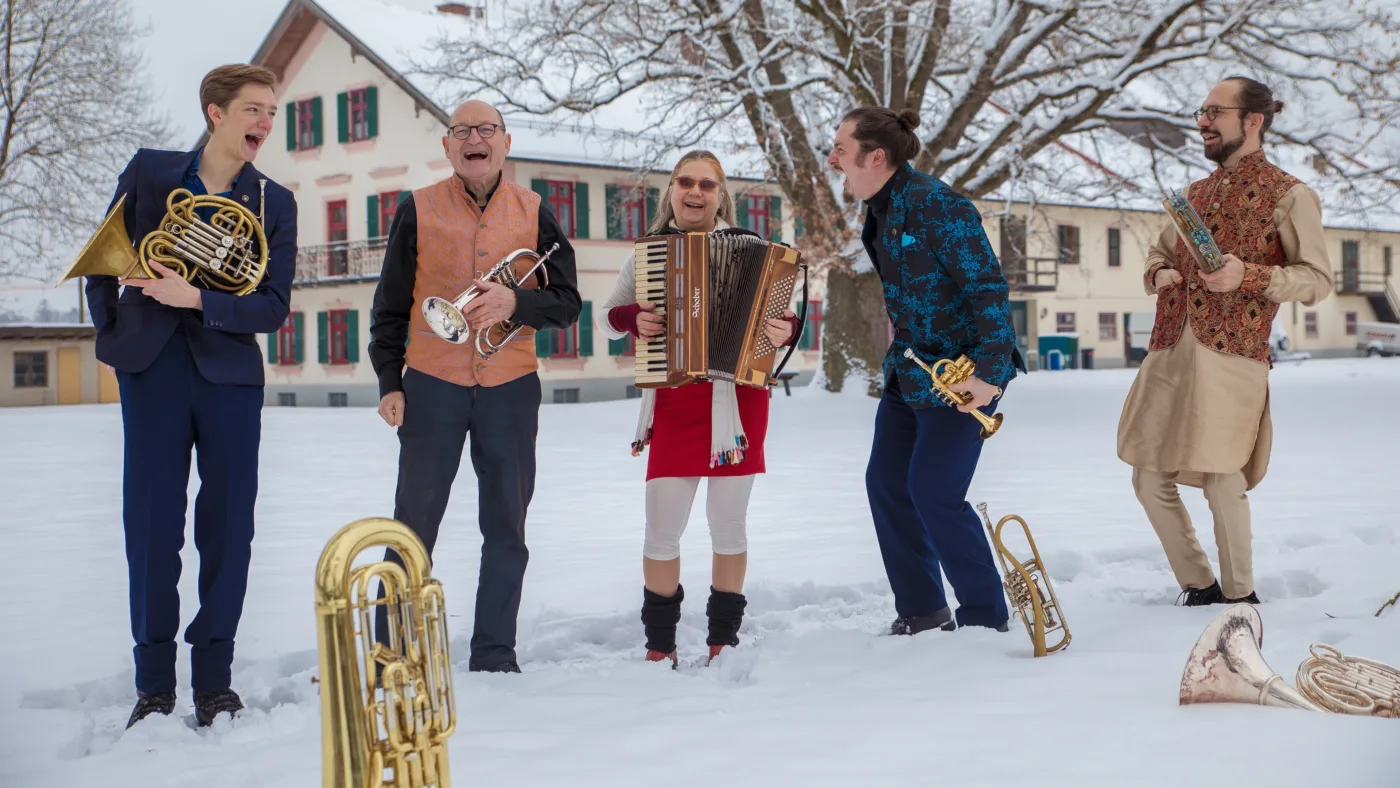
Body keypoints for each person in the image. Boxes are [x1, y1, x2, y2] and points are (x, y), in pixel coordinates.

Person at [81, 64, 297, 728]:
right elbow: (102, 259)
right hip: (152, 369)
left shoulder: (274, 203)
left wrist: (197, 295)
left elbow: (272, 306)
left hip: (230, 375)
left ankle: (213, 681)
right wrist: (116, 325)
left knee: (229, 528)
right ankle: (153, 683)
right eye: (254, 109)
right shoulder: (150, 172)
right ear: (216, 113)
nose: (265, 122)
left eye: (272, 111)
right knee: (150, 527)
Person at [367, 100, 581, 674]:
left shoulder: (535, 210)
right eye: (462, 131)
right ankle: (392, 652)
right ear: (447, 146)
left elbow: (567, 305)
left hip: (510, 386)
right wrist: (390, 380)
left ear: (505, 143)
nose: (474, 139)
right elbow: (388, 307)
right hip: (431, 385)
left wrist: (516, 301)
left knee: (507, 524)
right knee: (412, 523)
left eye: (486, 130)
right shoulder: (417, 209)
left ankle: (493, 652)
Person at [1117, 77, 1333, 606]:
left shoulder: (1291, 194)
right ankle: (1199, 584)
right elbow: (1157, 254)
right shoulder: (1192, 195)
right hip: (1170, 347)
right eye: (1202, 111)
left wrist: (1250, 277)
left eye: (1215, 112)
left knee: (1221, 478)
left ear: (1253, 120)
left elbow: (1318, 281)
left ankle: (1240, 598)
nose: (1203, 122)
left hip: (1233, 353)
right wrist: (1159, 274)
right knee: (1147, 478)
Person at [828, 107, 1024, 636]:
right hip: (910, 371)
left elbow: (988, 290)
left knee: (934, 491)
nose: (832, 158)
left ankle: (985, 618)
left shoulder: (940, 206)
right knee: (887, 484)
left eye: (841, 148)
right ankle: (922, 610)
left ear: (876, 157)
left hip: (966, 374)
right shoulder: (878, 207)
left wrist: (988, 374)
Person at [598, 150, 800, 665]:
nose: (694, 192)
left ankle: (721, 640)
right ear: (670, 190)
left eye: (706, 185)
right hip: (675, 398)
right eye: (685, 182)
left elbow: (783, 319)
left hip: (737, 400)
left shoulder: (751, 248)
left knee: (728, 524)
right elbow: (606, 317)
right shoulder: (648, 252)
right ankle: (659, 646)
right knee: (661, 527)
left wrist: (786, 329)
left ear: (720, 194)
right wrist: (632, 318)